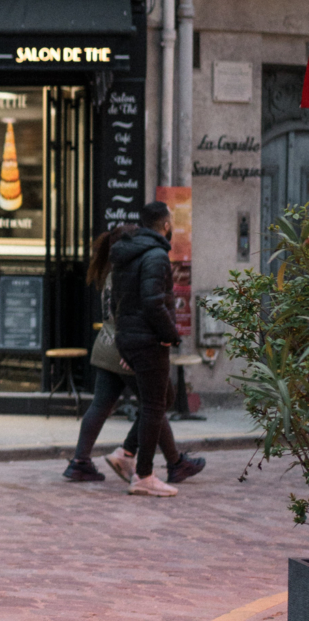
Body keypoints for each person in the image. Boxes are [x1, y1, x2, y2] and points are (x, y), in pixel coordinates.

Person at [63, 225, 203, 485]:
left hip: (105, 347)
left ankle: (80, 462)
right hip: (125, 349)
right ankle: (168, 461)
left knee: (102, 405)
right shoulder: (128, 271)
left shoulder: (109, 272)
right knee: (158, 402)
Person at [108, 201, 199, 497]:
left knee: (162, 398)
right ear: (166, 224)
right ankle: (143, 475)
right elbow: (153, 302)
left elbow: (114, 301)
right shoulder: (157, 255)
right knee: (153, 405)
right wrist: (170, 335)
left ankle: (126, 453)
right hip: (148, 339)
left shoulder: (126, 253)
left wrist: (126, 340)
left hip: (130, 336)